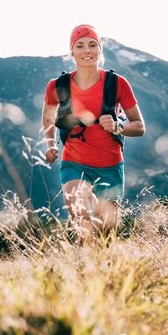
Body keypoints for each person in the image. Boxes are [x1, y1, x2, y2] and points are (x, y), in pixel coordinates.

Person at [41, 24, 145, 236]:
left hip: (110, 165)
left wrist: (118, 127)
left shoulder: (117, 84)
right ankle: (83, 266)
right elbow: (48, 119)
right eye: (79, 45)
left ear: (100, 50)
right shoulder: (57, 86)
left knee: (106, 234)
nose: (86, 50)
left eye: (92, 45)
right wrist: (51, 144)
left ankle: (102, 267)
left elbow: (139, 126)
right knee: (81, 217)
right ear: (72, 52)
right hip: (74, 163)